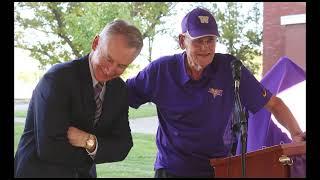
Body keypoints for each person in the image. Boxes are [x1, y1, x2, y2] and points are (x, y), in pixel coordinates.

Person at [126, 7, 305, 178]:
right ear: (182, 41)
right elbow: (122, 95)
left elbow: (274, 103)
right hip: (172, 170)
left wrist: (296, 134)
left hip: (218, 169)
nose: (205, 48)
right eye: (198, 40)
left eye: (210, 40)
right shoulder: (160, 71)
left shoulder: (230, 68)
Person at [14, 19, 143, 178]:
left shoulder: (120, 90)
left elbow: (123, 146)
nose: (110, 70)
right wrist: (99, 150)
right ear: (96, 43)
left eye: (121, 66)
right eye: (108, 59)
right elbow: (50, 148)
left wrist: (88, 141)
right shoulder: (58, 78)